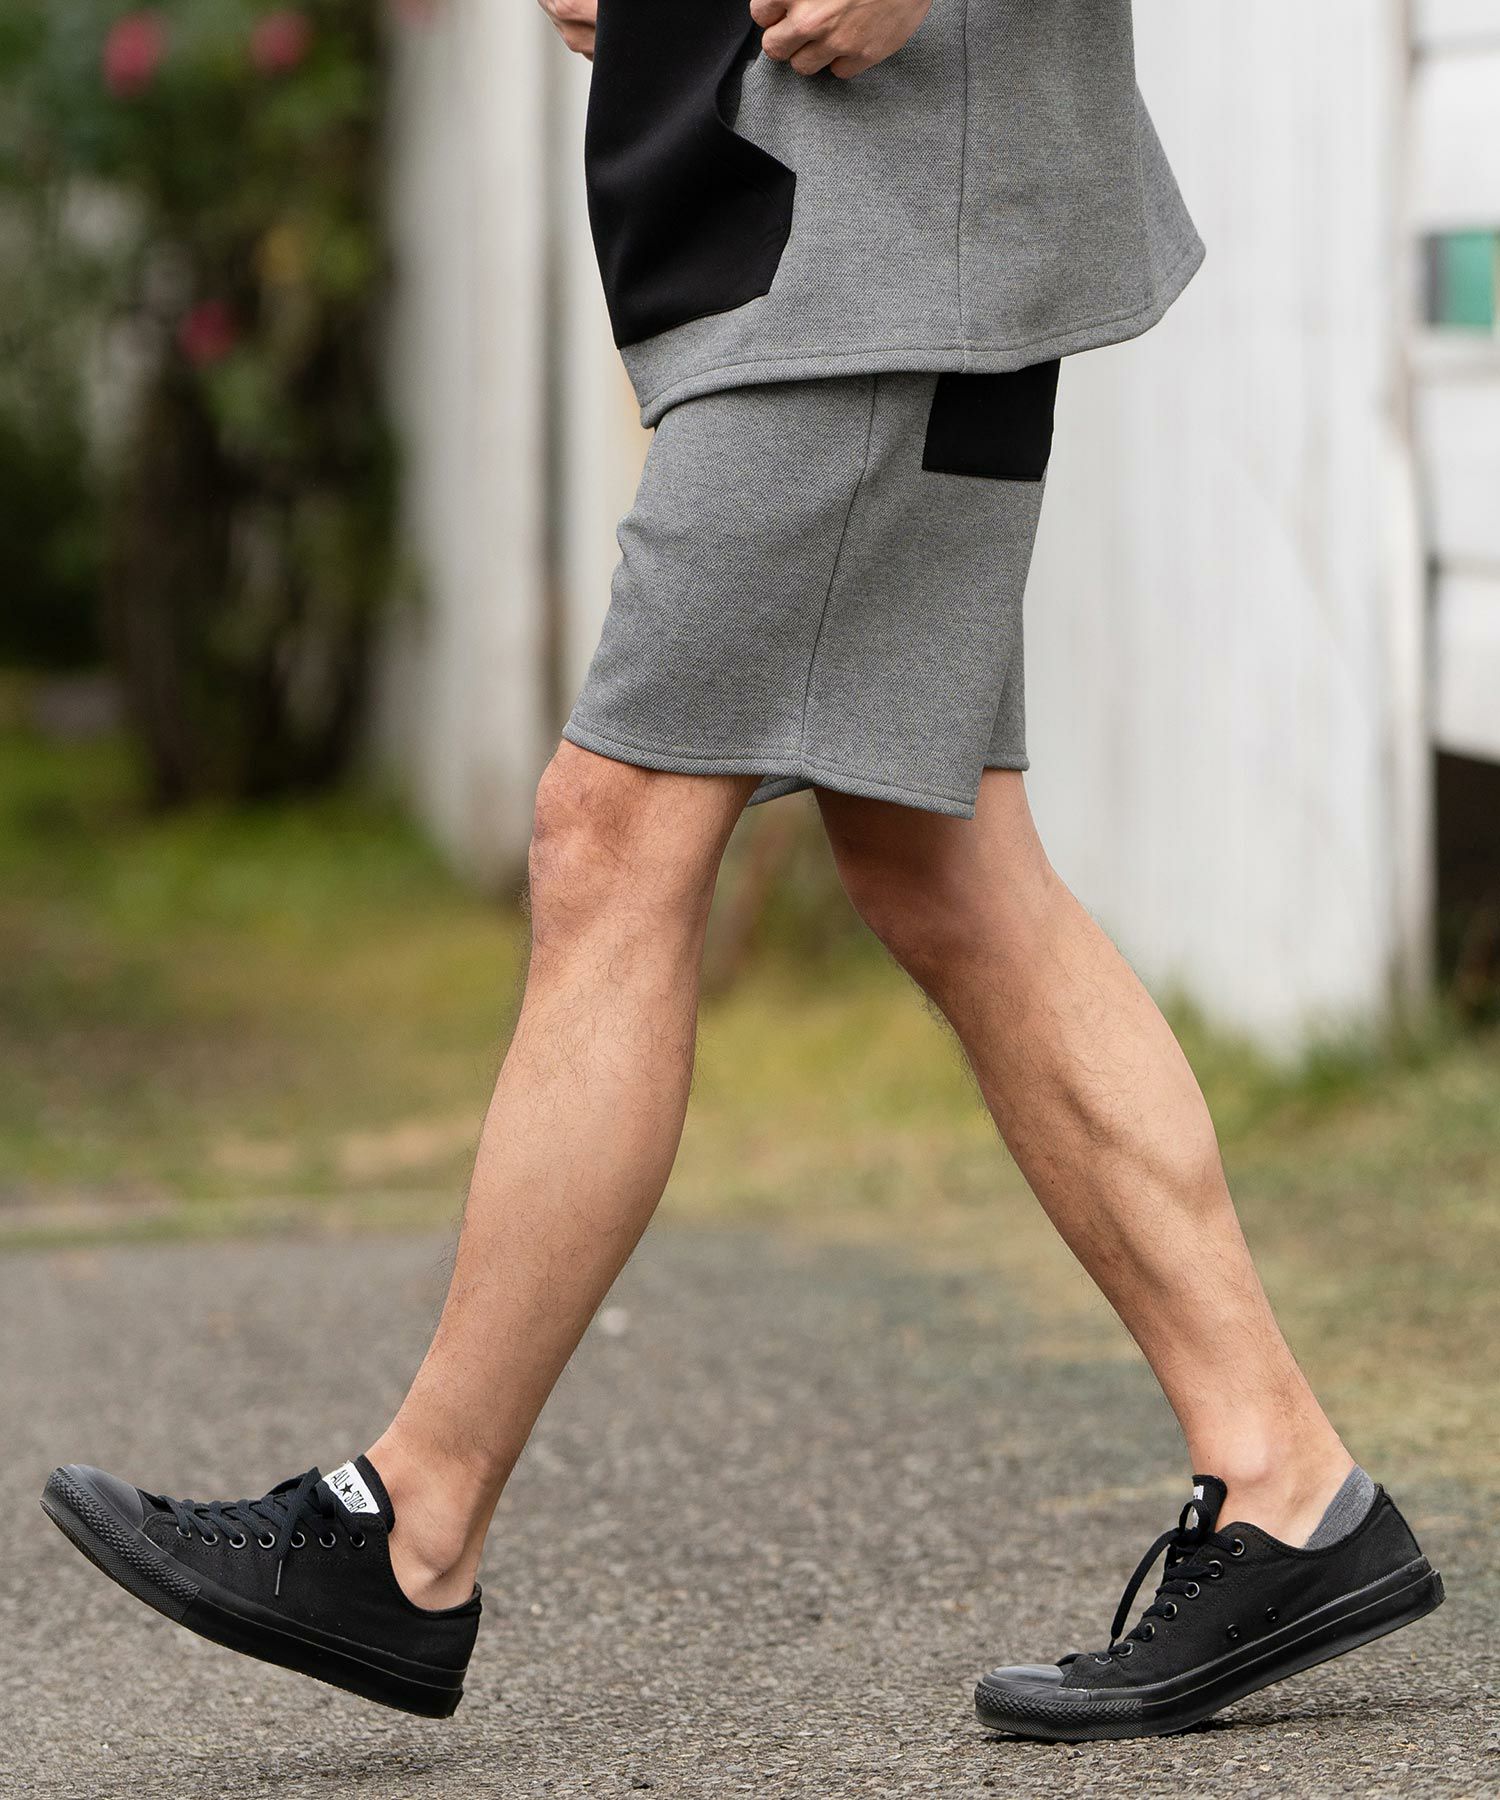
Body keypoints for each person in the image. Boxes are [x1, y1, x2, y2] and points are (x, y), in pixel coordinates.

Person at [43, 0, 1443, 1741]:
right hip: (815, 202)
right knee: (941, 868)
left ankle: (411, 1525)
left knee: (610, 831)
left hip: (887, 210)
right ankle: (1286, 1479)